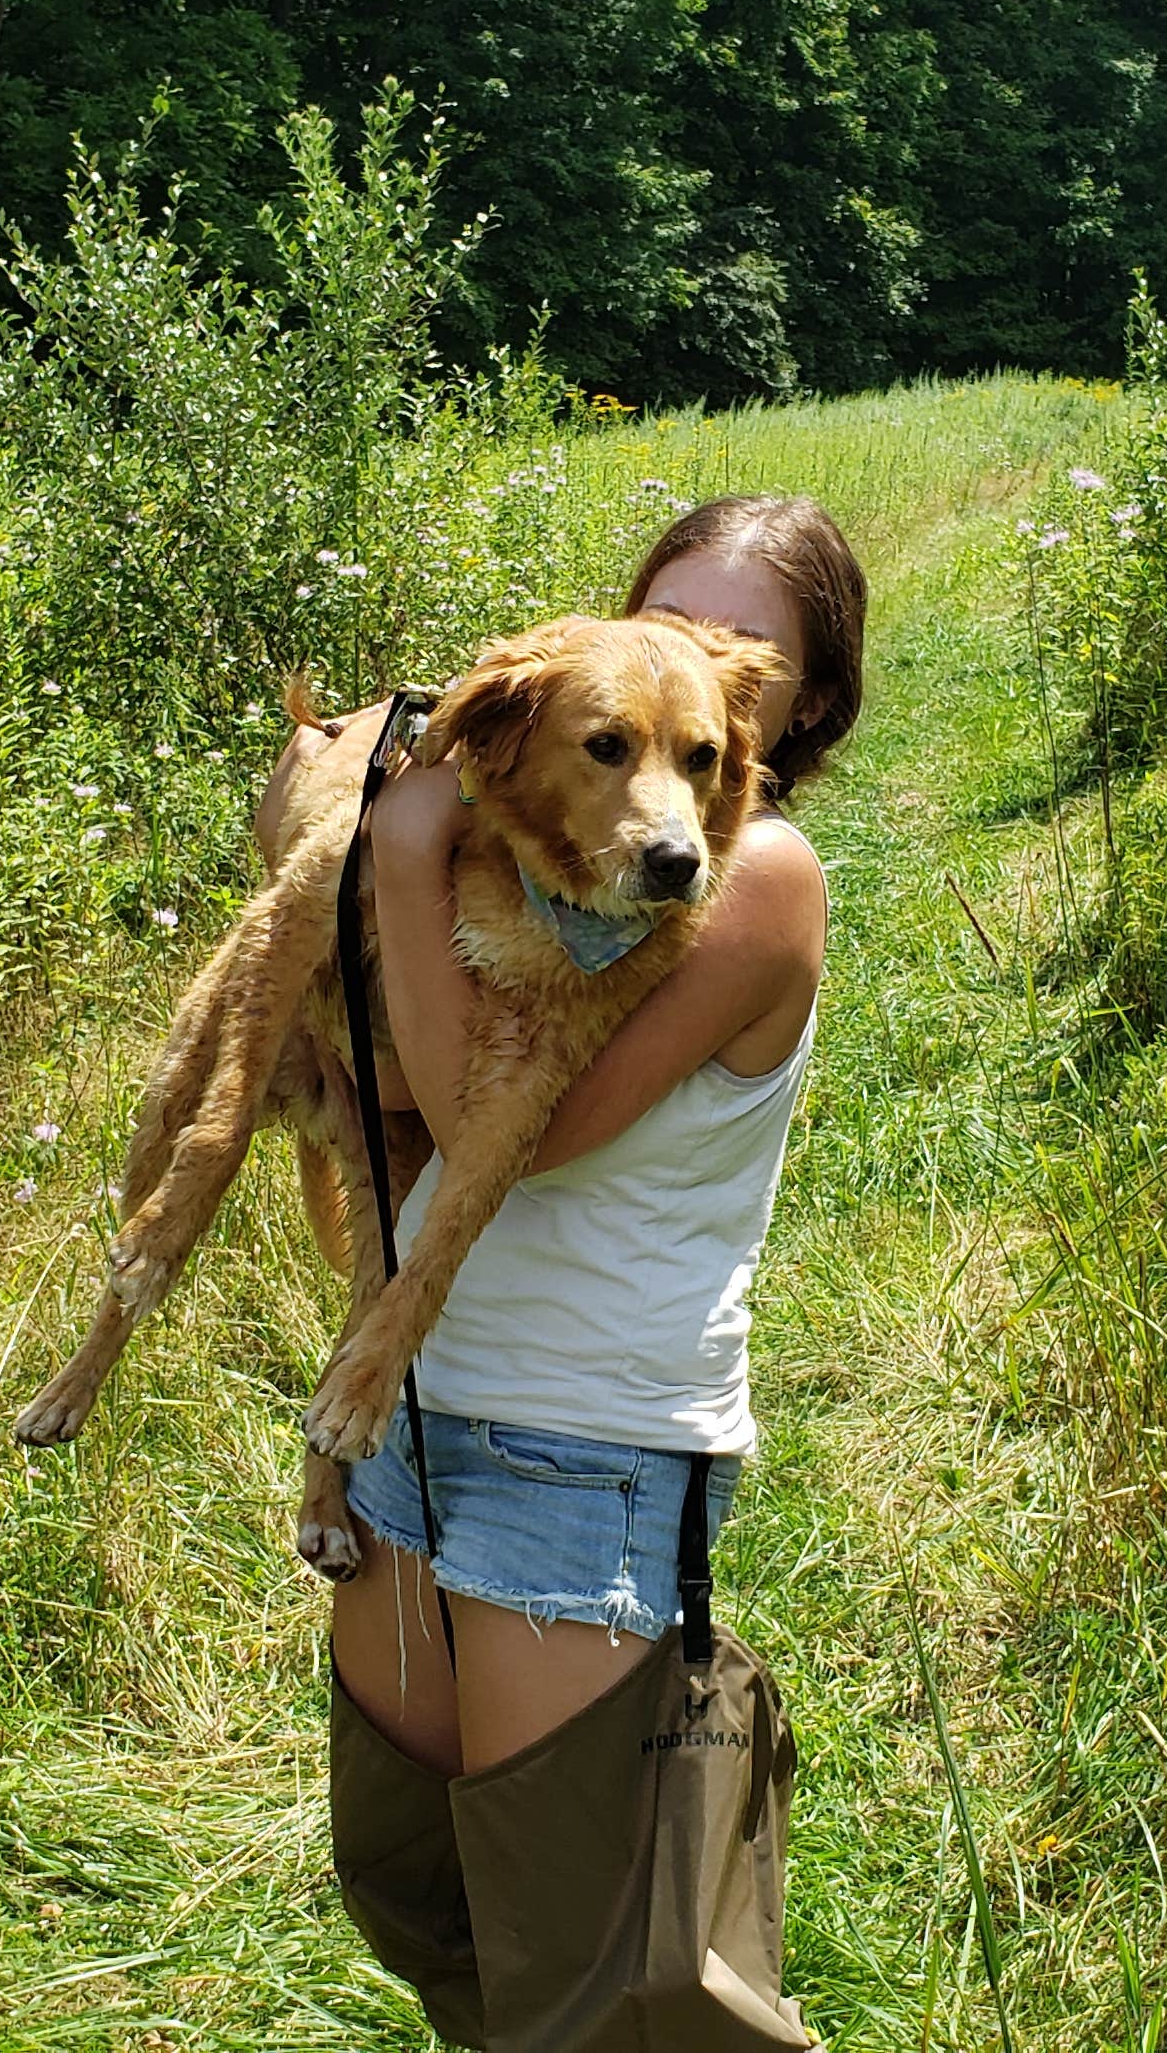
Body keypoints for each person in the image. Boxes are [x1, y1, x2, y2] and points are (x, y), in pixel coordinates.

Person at [301, 495, 864, 1784]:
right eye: (667, 619)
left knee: (564, 1889)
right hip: (417, 1404)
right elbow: (394, 1074)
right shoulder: (563, 863)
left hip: (583, 1451)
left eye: (743, 646)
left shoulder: (754, 880)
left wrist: (405, 852)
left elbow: (489, 1129)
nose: (696, 654)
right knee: (408, 1863)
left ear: (807, 705)